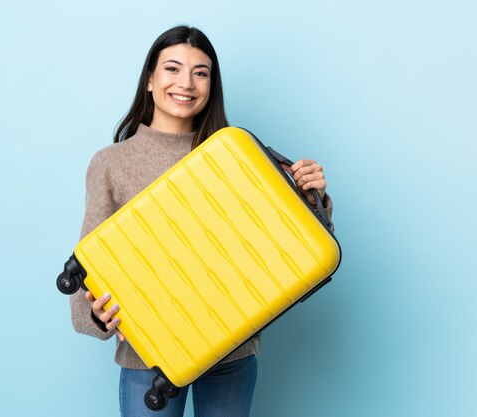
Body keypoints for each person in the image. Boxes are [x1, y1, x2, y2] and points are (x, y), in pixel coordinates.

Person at [69, 25, 333, 417]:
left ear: (212, 84)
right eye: (172, 69)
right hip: (148, 359)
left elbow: (282, 249)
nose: (186, 83)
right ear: (150, 80)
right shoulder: (110, 164)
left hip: (230, 353)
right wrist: (95, 314)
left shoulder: (238, 157)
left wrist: (315, 198)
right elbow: (86, 279)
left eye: (201, 72)